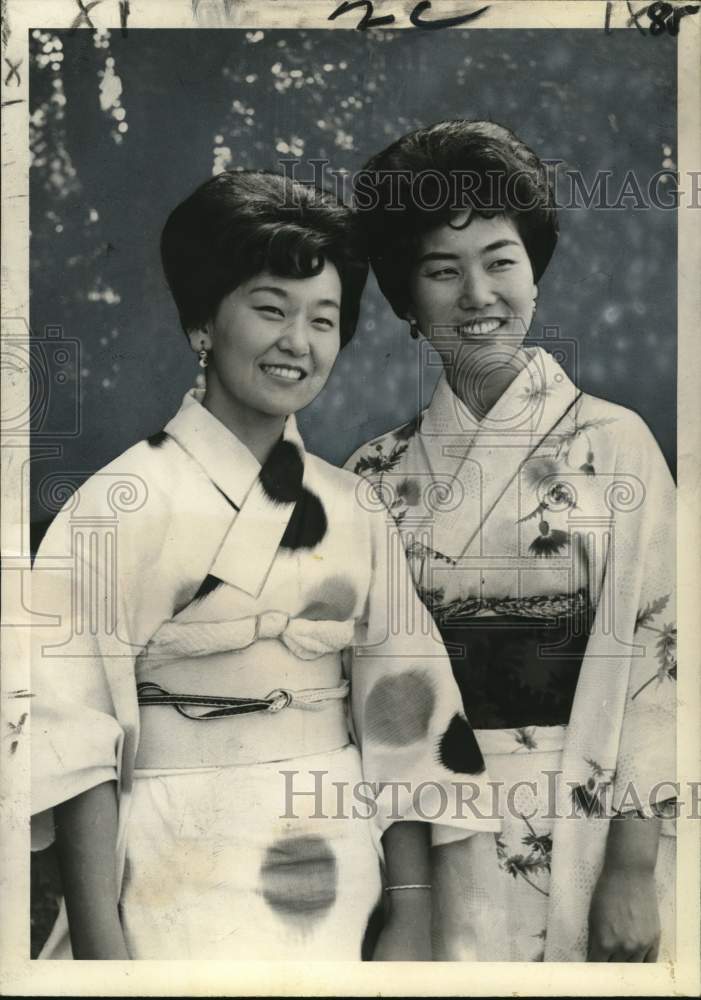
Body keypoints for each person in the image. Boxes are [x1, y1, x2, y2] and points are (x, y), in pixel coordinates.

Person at [30, 170, 499, 961]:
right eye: (270, 310)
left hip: (340, 850)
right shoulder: (119, 503)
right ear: (202, 326)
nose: (298, 342)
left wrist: (411, 911)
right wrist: (102, 951)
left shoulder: (353, 508)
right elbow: (71, 742)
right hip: (174, 855)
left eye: (324, 319)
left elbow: (406, 713)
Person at [346, 121, 676, 962]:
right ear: (405, 300)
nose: (477, 293)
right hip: (437, 826)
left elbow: (662, 653)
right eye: (440, 270)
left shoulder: (613, 443)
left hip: (592, 806)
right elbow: (371, 707)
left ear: (533, 273)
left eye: (500, 260)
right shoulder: (375, 474)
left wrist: (633, 867)